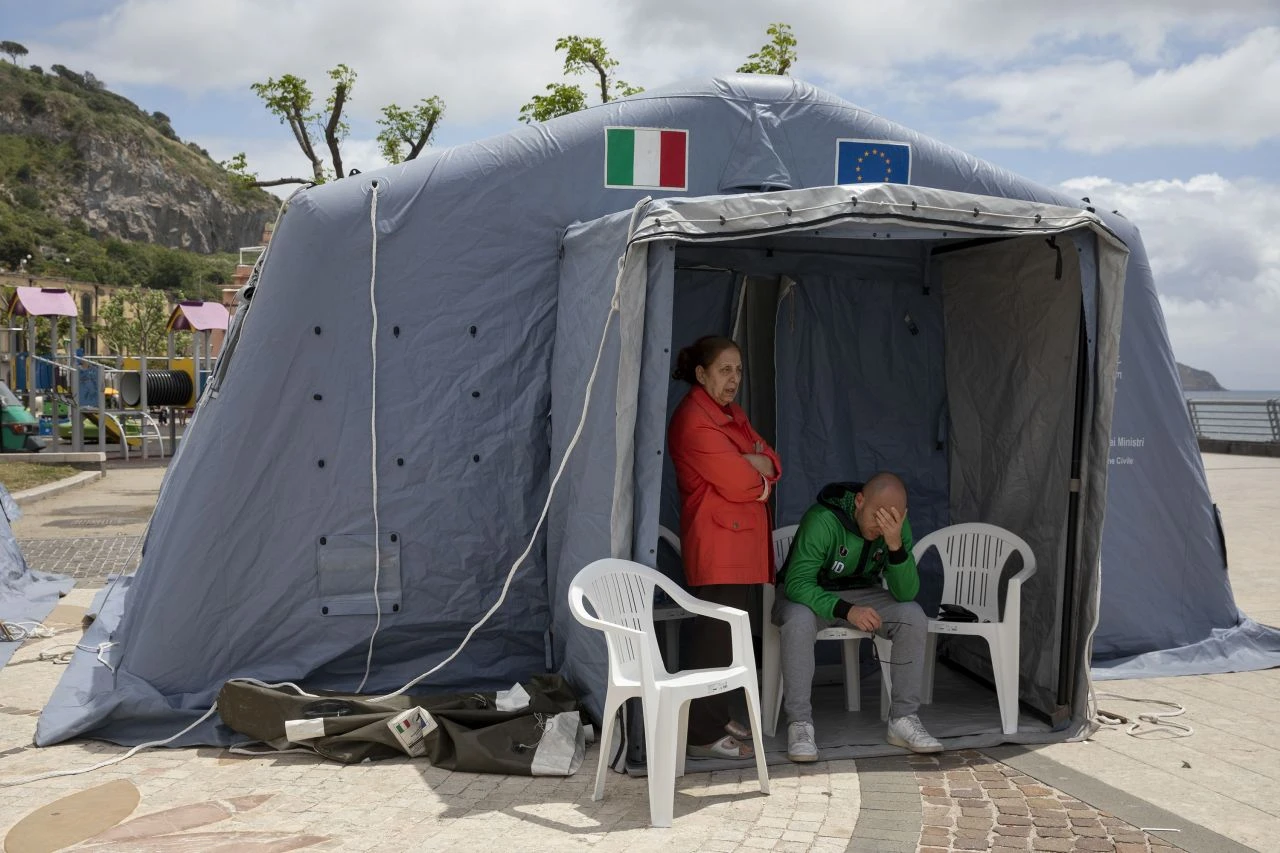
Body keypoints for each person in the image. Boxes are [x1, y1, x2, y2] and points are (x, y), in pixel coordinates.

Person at [773, 473, 943, 761]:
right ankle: (800, 723)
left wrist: (895, 546)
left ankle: (903, 719)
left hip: (863, 594)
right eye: (876, 518)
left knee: (912, 616)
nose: (881, 527)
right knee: (799, 622)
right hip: (809, 595)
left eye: (891, 521)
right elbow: (797, 584)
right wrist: (846, 610)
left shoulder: (894, 527)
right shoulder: (823, 519)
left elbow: (906, 593)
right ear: (860, 502)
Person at [667, 335, 781, 759]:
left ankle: (714, 715)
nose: (734, 379)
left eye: (738, 370)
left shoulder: (729, 412)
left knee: (728, 638)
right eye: (724, 370)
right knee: (713, 638)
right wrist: (751, 466)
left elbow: (771, 460)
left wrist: (753, 462)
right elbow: (740, 480)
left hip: (738, 546)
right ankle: (700, 734)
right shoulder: (694, 418)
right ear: (702, 374)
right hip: (719, 545)